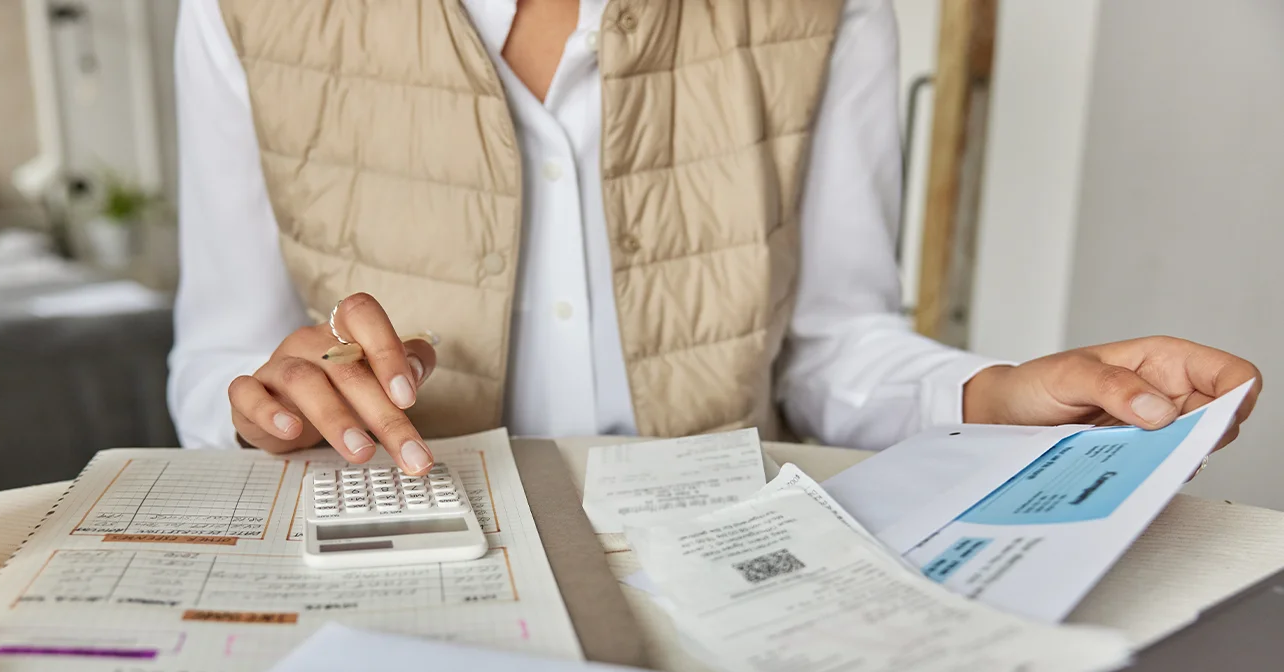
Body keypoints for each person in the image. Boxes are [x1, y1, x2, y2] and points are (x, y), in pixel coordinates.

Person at [167, 0, 1261, 475]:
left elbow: (829, 347)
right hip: (405, 567)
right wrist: (273, 405)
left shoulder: (823, 13)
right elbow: (218, 364)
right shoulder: (243, 14)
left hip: (726, 574)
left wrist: (997, 397)